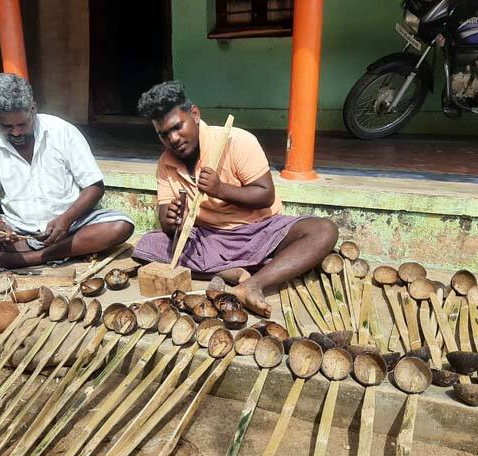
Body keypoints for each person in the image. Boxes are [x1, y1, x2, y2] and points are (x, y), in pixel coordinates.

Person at [133, 81, 338, 317]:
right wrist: (172, 220)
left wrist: (221, 189)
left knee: (324, 230)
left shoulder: (237, 141)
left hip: (261, 231)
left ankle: (252, 284)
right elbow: (167, 222)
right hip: (210, 238)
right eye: (164, 134)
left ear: (195, 114)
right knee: (146, 247)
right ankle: (241, 270)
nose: (174, 138)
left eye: (178, 127)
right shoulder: (165, 163)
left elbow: (265, 194)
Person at [0, 73, 134, 268]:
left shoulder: (62, 131)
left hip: (72, 225)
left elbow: (94, 186)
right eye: (6, 126)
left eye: (22, 124)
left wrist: (66, 219)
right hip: (17, 230)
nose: (16, 132)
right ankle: (61, 249)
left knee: (120, 225)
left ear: (33, 108)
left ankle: (33, 257)